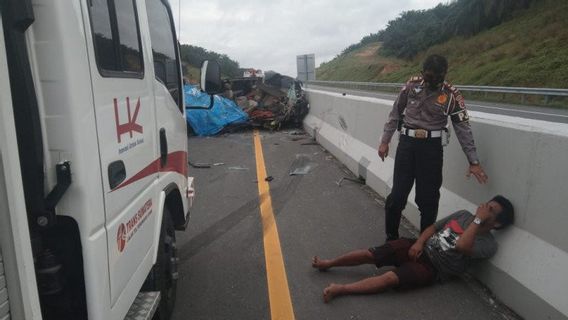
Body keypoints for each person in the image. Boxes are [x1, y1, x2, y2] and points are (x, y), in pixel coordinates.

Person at [312, 195, 514, 303]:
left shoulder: (489, 244)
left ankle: (341, 289)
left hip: (434, 269)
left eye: (490, 210)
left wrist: (478, 220)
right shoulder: (463, 214)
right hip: (420, 247)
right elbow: (433, 228)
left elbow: (462, 245)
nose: (484, 209)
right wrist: (418, 243)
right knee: (371, 254)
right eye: (486, 205)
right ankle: (329, 263)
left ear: (496, 224)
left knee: (390, 278)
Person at [378, 54, 488, 241]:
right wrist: (385, 140)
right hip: (407, 146)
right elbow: (395, 113)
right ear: (422, 73)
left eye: (439, 77)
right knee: (396, 197)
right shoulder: (412, 86)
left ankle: (424, 245)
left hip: (431, 150)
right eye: (429, 77)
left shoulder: (452, 95)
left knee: (428, 201)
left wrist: (474, 161)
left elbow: (463, 128)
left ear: (445, 73)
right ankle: (391, 239)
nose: (434, 81)